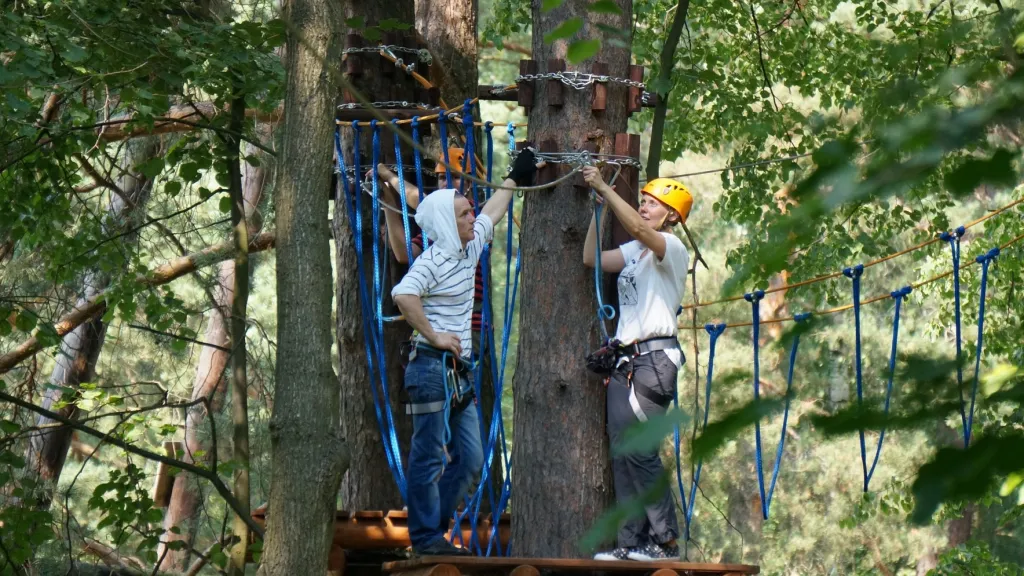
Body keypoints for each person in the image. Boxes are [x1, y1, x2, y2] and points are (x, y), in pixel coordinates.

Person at [391, 149, 539, 556]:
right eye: (462, 214)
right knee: (428, 457)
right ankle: (424, 538)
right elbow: (402, 294)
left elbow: (492, 212)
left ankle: (432, 532)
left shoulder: (469, 247)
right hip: (429, 368)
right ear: (444, 223)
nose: (471, 217)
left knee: (471, 458)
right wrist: (436, 335)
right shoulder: (434, 259)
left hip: (459, 373)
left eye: (468, 211)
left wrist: (514, 177)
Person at [581, 166, 693, 562]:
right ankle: (632, 543)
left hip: (655, 360)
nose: (644, 209)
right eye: (642, 202)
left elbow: (644, 232)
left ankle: (664, 541)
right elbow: (591, 258)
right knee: (622, 451)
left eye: (652, 204)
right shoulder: (637, 252)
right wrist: (598, 211)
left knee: (641, 451)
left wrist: (603, 189)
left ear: (672, 216)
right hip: (626, 362)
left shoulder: (669, 248)